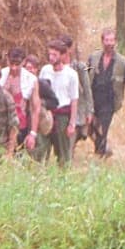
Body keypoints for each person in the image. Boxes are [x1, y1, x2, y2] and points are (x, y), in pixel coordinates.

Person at [88, 29, 125, 158]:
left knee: (103, 126)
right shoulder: (93, 58)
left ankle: (101, 154)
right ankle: (103, 148)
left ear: (116, 42)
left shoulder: (122, 62)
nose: (109, 43)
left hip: (109, 100)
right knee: (90, 127)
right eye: (107, 40)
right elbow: (87, 72)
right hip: (93, 98)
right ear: (102, 41)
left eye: (112, 40)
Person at [39, 36, 80, 166]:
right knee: (41, 148)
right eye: (50, 54)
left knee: (63, 152)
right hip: (47, 114)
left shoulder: (71, 74)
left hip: (63, 115)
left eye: (55, 54)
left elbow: (74, 100)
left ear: (62, 55)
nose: (51, 57)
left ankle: (63, 178)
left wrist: (72, 123)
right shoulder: (45, 70)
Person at [0, 47, 42, 157]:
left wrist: (32, 134)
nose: (13, 67)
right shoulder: (0, 75)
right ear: (7, 60)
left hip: (19, 127)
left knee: (17, 158)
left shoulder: (31, 80)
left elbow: (35, 108)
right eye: (11, 63)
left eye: (17, 64)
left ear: (23, 62)